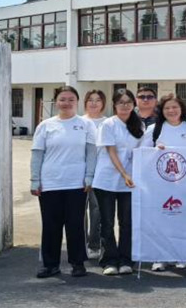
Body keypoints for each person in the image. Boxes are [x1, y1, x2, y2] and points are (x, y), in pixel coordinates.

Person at [30, 86, 97, 278]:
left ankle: (78, 263)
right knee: (51, 225)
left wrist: (89, 177)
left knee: (75, 225)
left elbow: (91, 153)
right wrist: (35, 180)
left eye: (70, 99)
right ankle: (50, 264)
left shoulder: (86, 125)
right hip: (50, 183)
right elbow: (37, 154)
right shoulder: (45, 125)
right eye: (62, 99)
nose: (66, 103)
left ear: (77, 102)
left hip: (77, 184)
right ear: (56, 101)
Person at [140, 93, 186, 271]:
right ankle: (160, 257)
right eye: (167, 108)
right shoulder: (154, 129)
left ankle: (182, 255)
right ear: (161, 111)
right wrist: (155, 150)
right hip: (160, 184)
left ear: (182, 108)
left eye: (175, 107)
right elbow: (142, 153)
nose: (171, 111)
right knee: (161, 220)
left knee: (184, 221)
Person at [93, 89, 144, 276]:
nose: (125, 105)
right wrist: (124, 173)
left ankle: (125, 259)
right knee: (107, 222)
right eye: (121, 102)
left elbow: (142, 151)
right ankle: (109, 260)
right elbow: (111, 151)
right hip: (107, 179)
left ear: (133, 104)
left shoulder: (139, 125)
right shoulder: (108, 124)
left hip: (130, 182)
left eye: (128, 102)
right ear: (114, 105)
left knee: (127, 222)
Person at [82, 90, 106, 260]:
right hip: (80, 172)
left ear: (103, 103)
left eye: (98, 100)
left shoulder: (108, 123)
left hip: (100, 173)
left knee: (97, 210)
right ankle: (81, 244)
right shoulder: (80, 122)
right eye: (90, 100)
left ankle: (94, 244)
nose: (94, 103)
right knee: (80, 211)